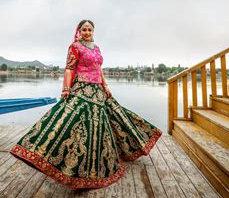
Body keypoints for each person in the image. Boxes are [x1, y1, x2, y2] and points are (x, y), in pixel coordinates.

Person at [10, 20, 162, 189]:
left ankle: (101, 161)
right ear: (79, 31)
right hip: (81, 88)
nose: (87, 32)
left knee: (104, 123)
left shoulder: (96, 48)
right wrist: (66, 89)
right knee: (71, 121)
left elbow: (99, 68)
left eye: (90, 29)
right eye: (84, 29)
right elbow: (69, 68)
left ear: (93, 31)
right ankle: (55, 158)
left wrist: (105, 85)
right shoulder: (75, 47)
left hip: (98, 91)